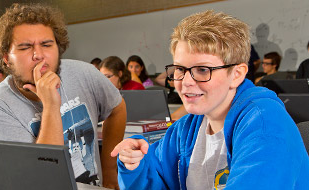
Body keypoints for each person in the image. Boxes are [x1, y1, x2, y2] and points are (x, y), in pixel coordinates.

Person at [111, 10, 309, 190]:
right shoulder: (187, 128)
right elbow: (155, 175)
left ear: (237, 74)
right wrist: (135, 163)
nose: (186, 82)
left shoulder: (266, 125)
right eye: (180, 69)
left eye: (203, 70)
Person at [0, 3, 126, 189]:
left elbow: (117, 108)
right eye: (25, 47)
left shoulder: (85, 73)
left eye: (47, 44)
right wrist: (50, 105)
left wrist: (110, 172)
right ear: (6, 58)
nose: (39, 55)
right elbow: (42, 181)